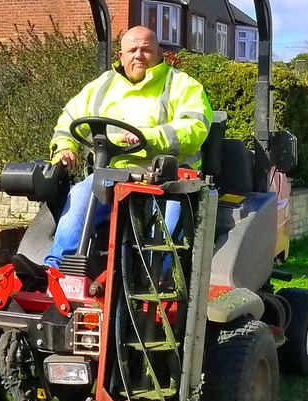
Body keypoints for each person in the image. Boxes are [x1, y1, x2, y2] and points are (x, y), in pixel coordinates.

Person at [18, 26, 212, 274]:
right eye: (132, 50)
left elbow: (194, 128)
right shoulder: (102, 86)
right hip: (110, 174)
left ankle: (155, 279)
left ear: (160, 53)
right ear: (121, 56)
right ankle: (54, 270)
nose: (138, 55)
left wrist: (149, 136)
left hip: (167, 181)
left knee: (167, 222)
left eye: (146, 49)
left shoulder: (182, 85)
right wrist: (66, 148)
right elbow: (69, 119)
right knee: (78, 196)